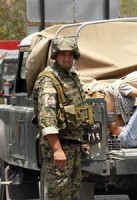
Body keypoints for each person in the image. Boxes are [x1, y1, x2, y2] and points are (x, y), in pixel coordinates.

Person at [33, 37, 91, 200]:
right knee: (59, 193)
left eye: (70, 55)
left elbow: (80, 111)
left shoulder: (72, 76)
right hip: (60, 146)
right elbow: (47, 118)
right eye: (62, 54)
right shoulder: (49, 79)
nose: (67, 58)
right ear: (56, 56)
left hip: (73, 145)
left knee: (73, 192)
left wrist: (84, 140)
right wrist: (57, 149)